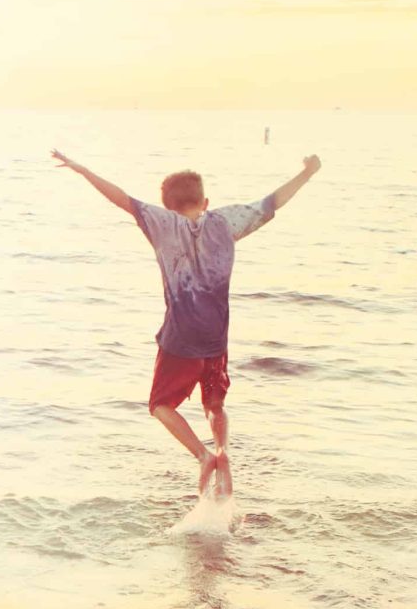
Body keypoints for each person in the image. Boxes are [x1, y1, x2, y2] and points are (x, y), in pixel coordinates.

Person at [51, 148, 322, 497]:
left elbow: (121, 198)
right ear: (205, 201)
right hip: (216, 337)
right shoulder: (225, 222)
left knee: (160, 405)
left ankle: (203, 456)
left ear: (166, 206)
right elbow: (273, 202)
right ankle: (223, 452)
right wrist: (308, 173)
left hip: (180, 339)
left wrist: (83, 170)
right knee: (215, 404)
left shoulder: (160, 223)